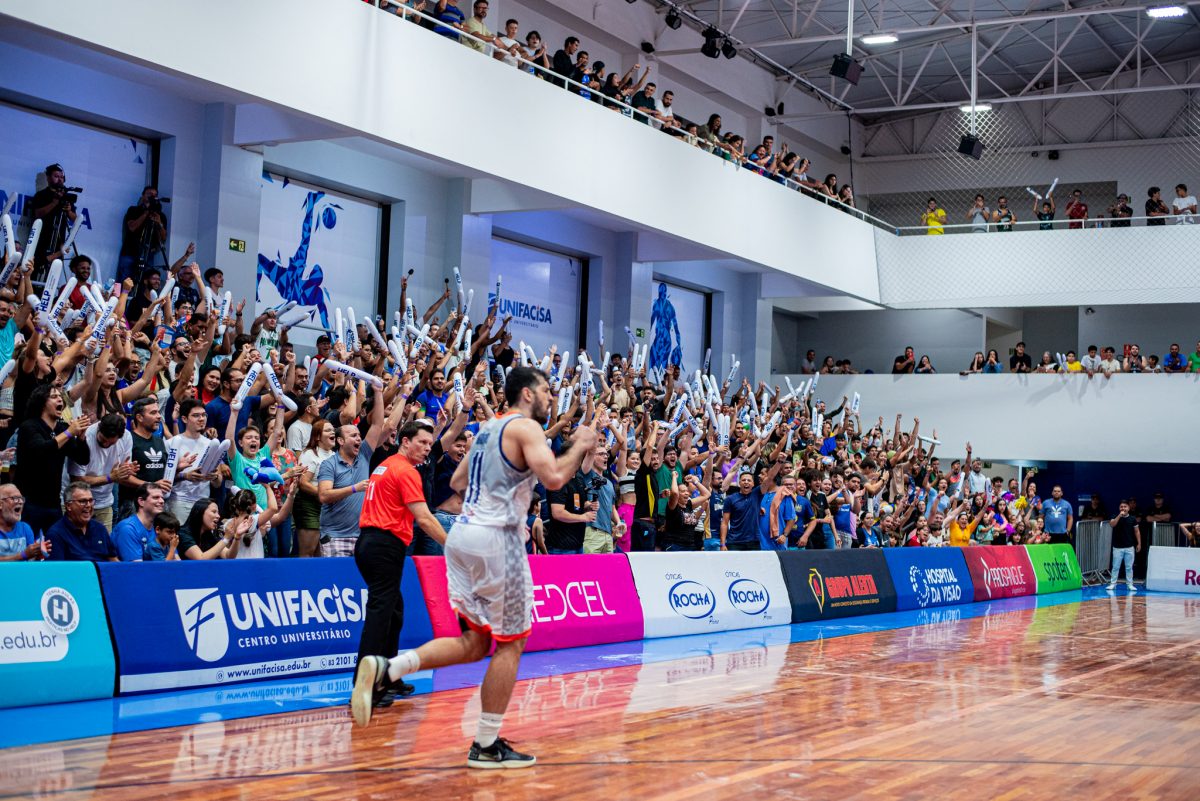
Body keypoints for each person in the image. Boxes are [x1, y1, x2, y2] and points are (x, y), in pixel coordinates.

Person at [351, 367, 598, 769]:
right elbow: (553, 478)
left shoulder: (486, 430)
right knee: (512, 643)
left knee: (475, 642)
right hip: (495, 540)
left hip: (464, 536)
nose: (551, 397)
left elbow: (459, 481)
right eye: (546, 390)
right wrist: (581, 444)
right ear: (527, 394)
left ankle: (386, 667)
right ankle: (485, 744)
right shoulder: (526, 427)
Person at [317, 377, 402, 557]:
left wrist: (378, 392)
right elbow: (324, 496)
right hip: (335, 537)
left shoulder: (363, 454)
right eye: (353, 436)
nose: (359, 438)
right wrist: (355, 488)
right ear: (340, 441)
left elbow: (378, 424)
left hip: (361, 536)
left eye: (359, 435)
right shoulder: (329, 464)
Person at [14, 385, 91, 536]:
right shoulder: (29, 426)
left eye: (60, 396)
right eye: (54, 396)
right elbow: (41, 451)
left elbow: (82, 459)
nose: (60, 399)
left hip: (54, 501)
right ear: (42, 402)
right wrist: (69, 432)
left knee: (54, 544)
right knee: (31, 544)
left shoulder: (61, 428)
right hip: (29, 501)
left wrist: (81, 438)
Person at [67, 413, 134, 531]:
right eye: (102, 440)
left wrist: (126, 471)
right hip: (78, 502)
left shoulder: (126, 437)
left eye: (111, 443)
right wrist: (110, 478)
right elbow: (77, 481)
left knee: (103, 541)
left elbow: (122, 471)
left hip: (105, 502)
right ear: (98, 428)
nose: (105, 444)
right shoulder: (85, 436)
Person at [45, 482, 118, 562]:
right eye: (83, 501)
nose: (88, 505)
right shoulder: (56, 534)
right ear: (68, 506)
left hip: (102, 570)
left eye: (91, 500)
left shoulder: (100, 528)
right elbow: (56, 568)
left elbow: (113, 561)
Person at [117, 185, 169, 282]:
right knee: (124, 281)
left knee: (145, 282)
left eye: (155, 195)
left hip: (148, 254)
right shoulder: (133, 210)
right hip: (130, 252)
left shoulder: (161, 216)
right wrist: (146, 213)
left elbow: (163, 237)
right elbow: (132, 227)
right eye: (149, 194)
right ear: (143, 196)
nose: (152, 197)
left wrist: (159, 223)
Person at [111, 484, 168, 562]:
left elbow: (175, 559)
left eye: (162, 498)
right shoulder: (128, 529)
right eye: (156, 497)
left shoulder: (161, 527)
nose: (162, 501)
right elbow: (136, 567)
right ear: (141, 501)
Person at [0, 484, 46, 562]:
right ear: (0, 504)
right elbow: (25, 555)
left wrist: (38, 554)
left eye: (21, 498)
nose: (21, 502)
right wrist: (22, 555)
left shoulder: (25, 528)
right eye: (15, 498)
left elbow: (30, 563)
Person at [1106, 500, 1139, 592]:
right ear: (1119, 508)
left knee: (1129, 567)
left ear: (1128, 508)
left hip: (1129, 547)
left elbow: (1137, 531)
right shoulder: (1114, 516)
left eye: (1125, 506)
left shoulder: (1132, 519)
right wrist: (1119, 516)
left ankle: (1130, 584)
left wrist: (1139, 543)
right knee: (1115, 567)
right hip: (1117, 547)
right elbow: (1112, 524)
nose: (1123, 508)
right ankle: (1113, 584)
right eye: (1121, 506)